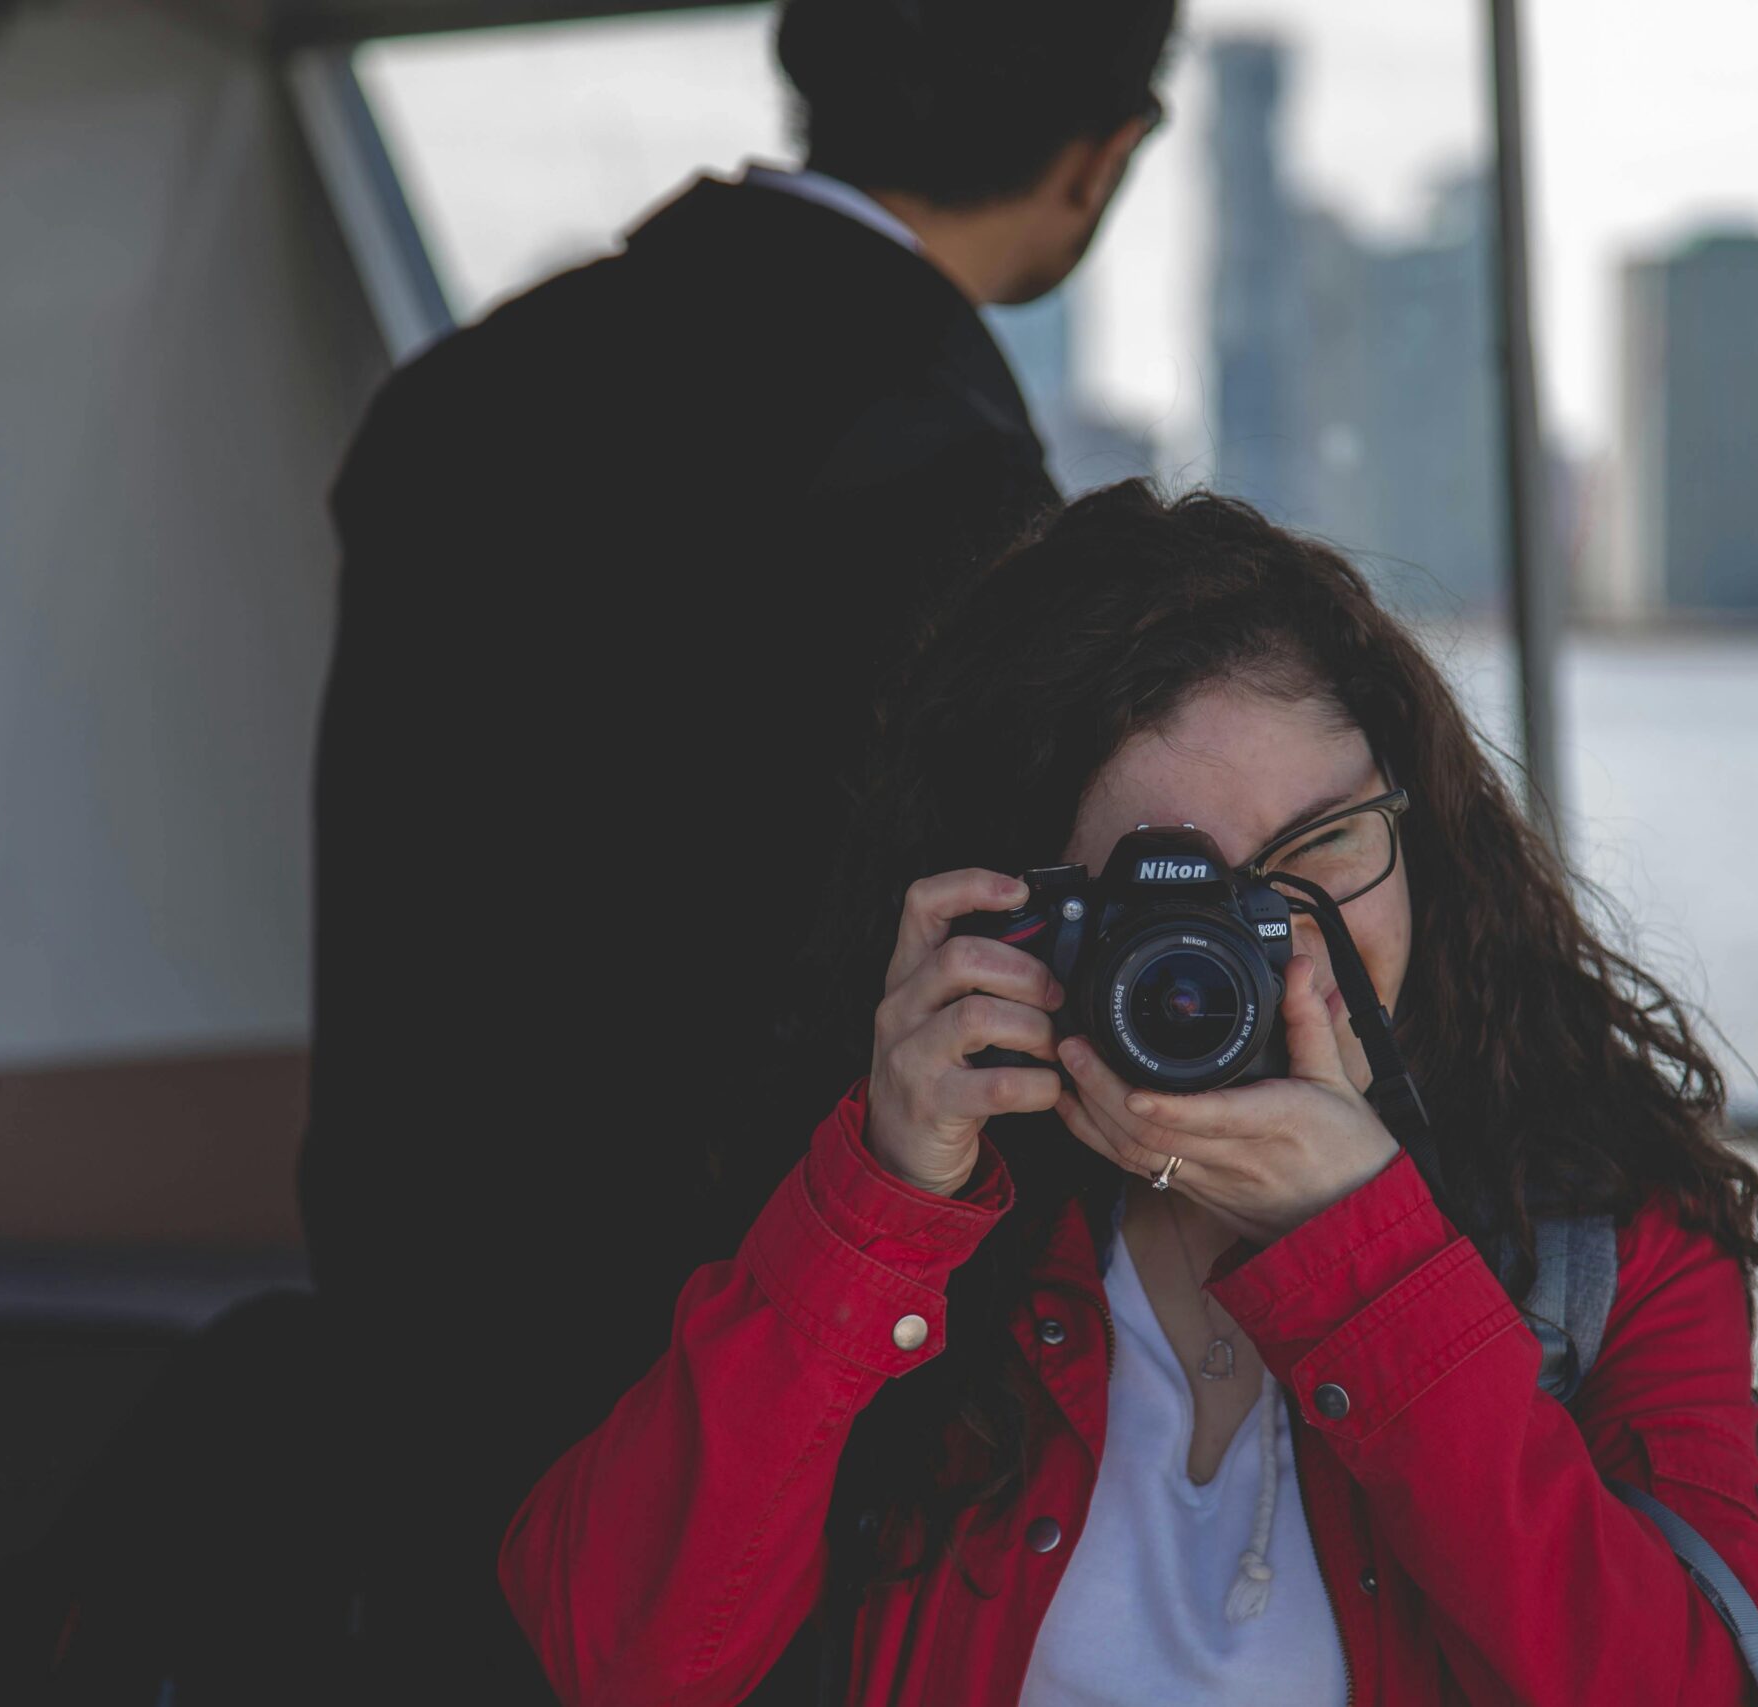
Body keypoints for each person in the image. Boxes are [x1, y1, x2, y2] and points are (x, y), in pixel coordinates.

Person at [496, 482, 1758, 1705]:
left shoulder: (1608, 1236)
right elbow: (617, 1666)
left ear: (1424, 830)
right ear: (1018, 915)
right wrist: (879, 1205)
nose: (1258, 941)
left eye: (1323, 844)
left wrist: (1366, 1253)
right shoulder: (913, 1209)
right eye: (1178, 898)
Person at [300, 2, 1177, 1693]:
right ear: (1102, 159)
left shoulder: (462, 391)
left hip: (420, 1340)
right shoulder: (940, 473)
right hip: (747, 1410)